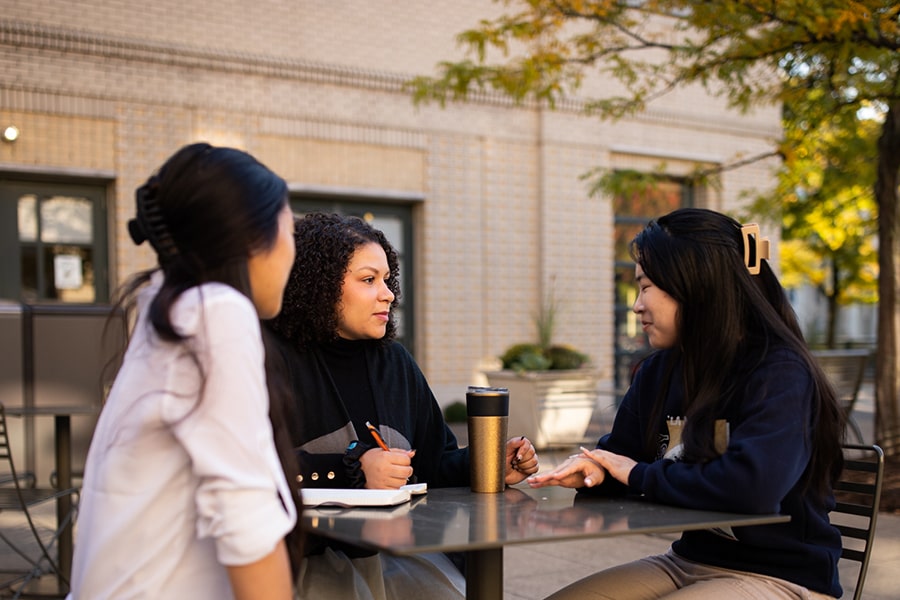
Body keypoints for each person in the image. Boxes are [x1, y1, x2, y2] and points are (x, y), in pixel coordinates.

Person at [528, 208, 845, 600]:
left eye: (645, 287)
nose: (636, 306)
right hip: (687, 561)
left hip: (782, 577)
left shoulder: (778, 371)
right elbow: (622, 458)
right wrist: (596, 470)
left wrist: (636, 475)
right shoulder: (659, 371)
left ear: (696, 287)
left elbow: (753, 488)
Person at [68, 143, 303, 599]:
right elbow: (248, 525)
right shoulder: (213, 314)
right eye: (290, 229)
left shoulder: (167, 310)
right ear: (253, 239)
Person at [265, 212, 540, 599]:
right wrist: (353, 470)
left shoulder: (395, 361)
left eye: (386, 279)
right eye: (367, 280)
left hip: (398, 560)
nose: (388, 293)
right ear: (320, 285)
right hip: (301, 567)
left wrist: (490, 465)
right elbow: (249, 469)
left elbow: (433, 463)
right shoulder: (269, 360)